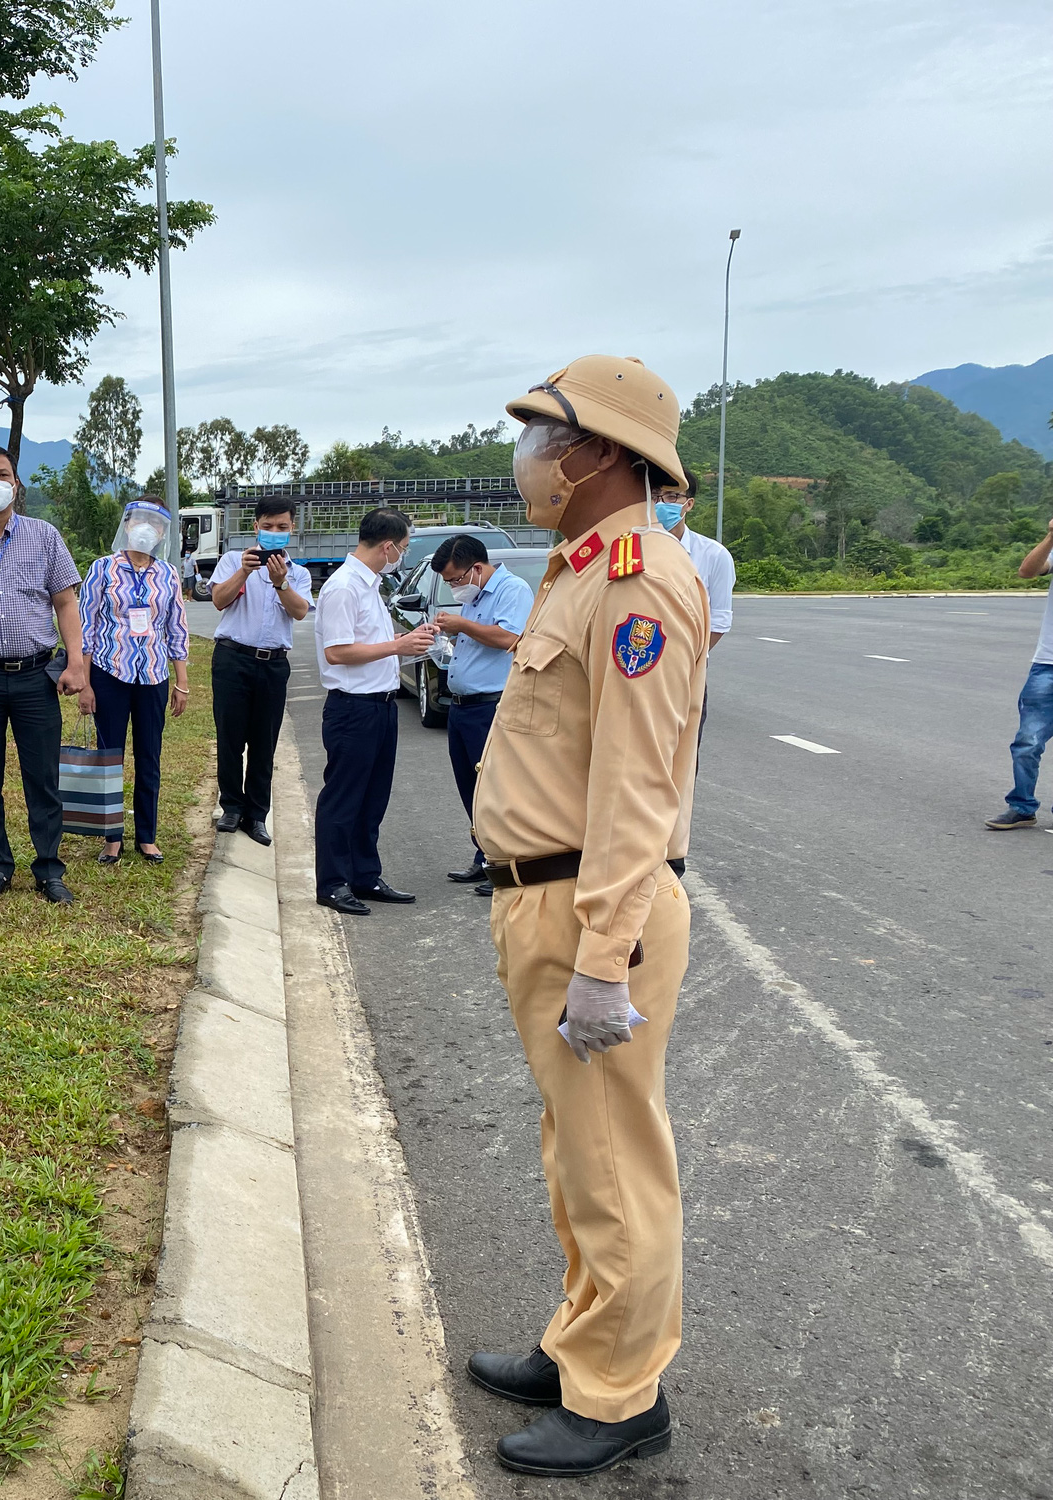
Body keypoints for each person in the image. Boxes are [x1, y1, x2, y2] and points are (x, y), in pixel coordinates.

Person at [467, 355, 707, 1476]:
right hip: (543, 899)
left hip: (587, 908)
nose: (525, 454)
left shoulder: (636, 581)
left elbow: (633, 792)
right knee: (578, 1153)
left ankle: (619, 1395)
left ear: (597, 452)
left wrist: (604, 960)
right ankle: (581, 1344)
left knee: (614, 1162)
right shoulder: (577, 570)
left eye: (540, 433)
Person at [0, 442, 87, 903]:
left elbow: (66, 603)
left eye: (2, 474)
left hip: (36, 676)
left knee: (42, 776)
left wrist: (76, 663)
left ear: (17, 482)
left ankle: (49, 868)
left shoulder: (45, 536)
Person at [312, 509, 437, 915]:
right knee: (344, 799)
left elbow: (370, 641)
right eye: (401, 548)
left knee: (373, 798)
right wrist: (397, 648)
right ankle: (333, 883)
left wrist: (406, 639)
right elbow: (338, 651)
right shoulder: (344, 588)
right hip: (353, 708)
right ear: (387, 547)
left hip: (381, 707)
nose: (400, 555)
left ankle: (364, 875)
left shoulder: (371, 586)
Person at [76, 497, 191, 865]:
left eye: (155, 524)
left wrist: (181, 681)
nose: (146, 529)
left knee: (149, 755)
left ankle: (147, 836)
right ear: (126, 525)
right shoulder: (102, 569)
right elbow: (87, 628)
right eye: (140, 521)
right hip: (110, 672)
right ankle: (112, 838)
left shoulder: (168, 574)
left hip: (154, 675)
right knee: (109, 756)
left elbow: (176, 629)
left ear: (162, 533)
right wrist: (86, 682)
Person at [433, 534, 534, 896]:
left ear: (476, 568)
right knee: (471, 787)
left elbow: (509, 637)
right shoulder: (474, 596)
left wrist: (462, 626)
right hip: (462, 707)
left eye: (455, 579)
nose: (454, 587)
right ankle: (485, 856)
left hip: (492, 705)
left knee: (498, 789)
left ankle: (507, 865)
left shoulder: (512, 589)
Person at [209, 497, 313, 846]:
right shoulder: (231, 561)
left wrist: (281, 582)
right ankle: (231, 807)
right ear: (255, 526)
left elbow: (299, 612)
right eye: (268, 526)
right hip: (231, 658)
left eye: (282, 527)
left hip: (273, 663)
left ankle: (257, 814)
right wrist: (245, 571)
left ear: (292, 529)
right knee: (230, 737)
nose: (274, 533)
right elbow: (219, 600)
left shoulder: (298, 573)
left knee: (264, 743)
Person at [654, 474, 732, 750]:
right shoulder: (629, 549)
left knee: (683, 757)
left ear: (689, 504)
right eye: (656, 495)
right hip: (636, 668)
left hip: (688, 673)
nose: (662, 503)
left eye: (673, 497)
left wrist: (690, 657)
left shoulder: (713, 556)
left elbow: (720, 620)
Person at [986, 511, 1053, 829]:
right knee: (1028, 740)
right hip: (1048, 665)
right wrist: (1051, 536)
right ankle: (1022, 806)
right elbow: (1027, 571)